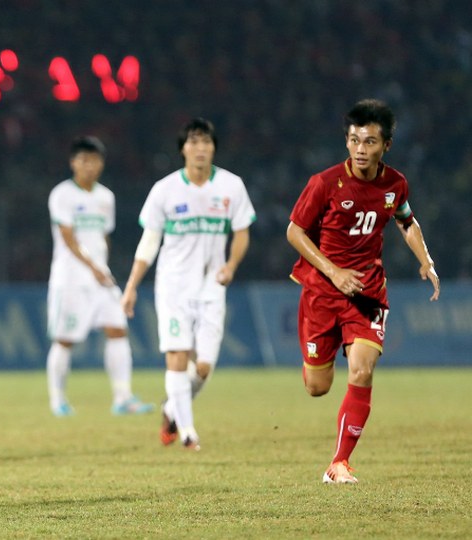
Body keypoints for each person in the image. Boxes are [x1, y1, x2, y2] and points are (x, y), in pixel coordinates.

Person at [286, 98, 440, 484]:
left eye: (369, 142)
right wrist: (334, 272)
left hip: (367, 292)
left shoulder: (395, 184)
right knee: (317, 387)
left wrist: (426, 260)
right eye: (354, 140)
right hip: (322, 292)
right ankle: (320, 357)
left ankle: (340, 463)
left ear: (386, 145)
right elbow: (295, 232)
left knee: (362, 369)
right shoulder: (324, 184)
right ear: (346, 142)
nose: (360, 149)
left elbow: (406, 220)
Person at [121, 118, 256, 450]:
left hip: (212, 288)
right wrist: (132, 285)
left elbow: (241, 232)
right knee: (178, 357)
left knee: (203, 368)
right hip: (174, 287)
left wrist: (231, 265)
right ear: (183, 149)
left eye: (206, 142)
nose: (200, 148)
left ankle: (171, 409)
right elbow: (149, 242)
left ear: (214, 148)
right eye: (193, 142)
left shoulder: (231, 186)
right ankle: (187, 433)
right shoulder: (164, 190)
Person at [46, 135, 154, 417]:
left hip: (100, 279)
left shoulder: (106, 197)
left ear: (102, 164)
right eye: (83, 160)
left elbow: (103, 237)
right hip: (70, 280)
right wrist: (93, 267)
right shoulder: (62, 194)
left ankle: (123, 398)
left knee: (118, 330)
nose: (89, 166)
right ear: (73, 163)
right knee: (65, 339)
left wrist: (101, 267)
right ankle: (58, 400)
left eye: (94, 161)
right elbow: (68, 238)